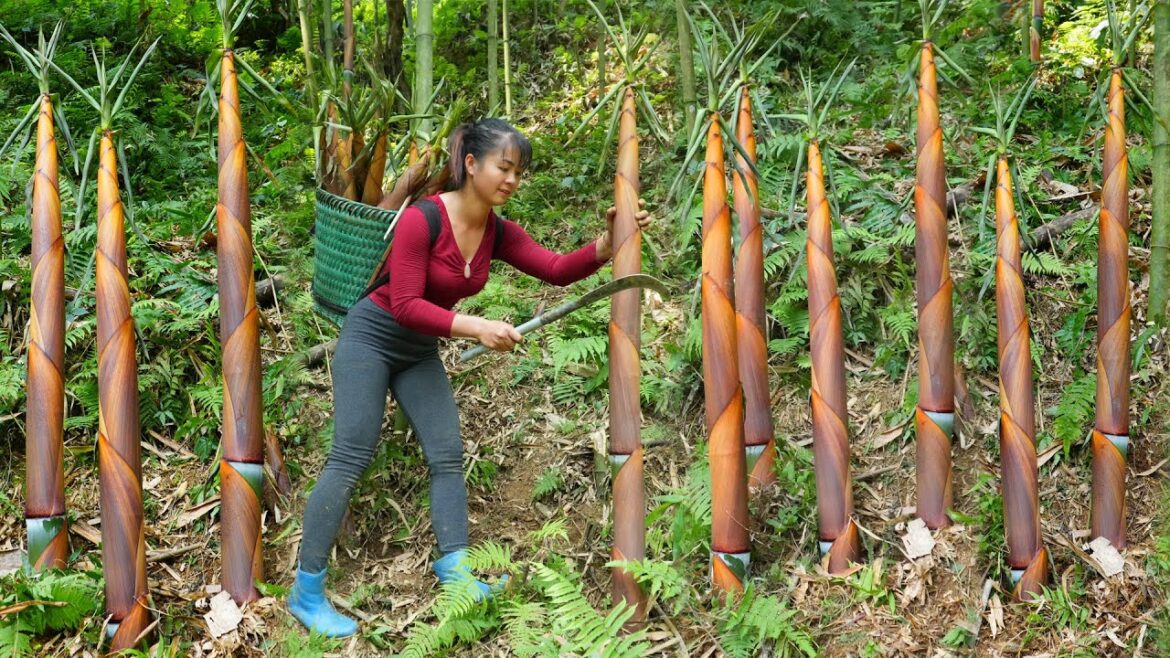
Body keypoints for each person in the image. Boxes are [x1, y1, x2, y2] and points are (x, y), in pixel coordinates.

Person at [288, 118, 652, 637]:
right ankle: (306, 591)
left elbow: (553, 268)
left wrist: (605, 244)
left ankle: (456, 570)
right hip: (371, 337)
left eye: (519, 172)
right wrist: (474, 327)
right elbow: (407, 303)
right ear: (471, 164)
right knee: (350, 455)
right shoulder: (422, 218)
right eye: (504, 167)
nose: (511, 180)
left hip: (418, 351)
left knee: (446, 454)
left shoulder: (496, 231)